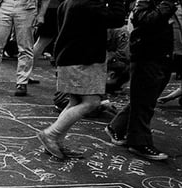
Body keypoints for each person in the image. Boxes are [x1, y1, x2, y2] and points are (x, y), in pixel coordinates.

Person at [36, 0, 126, 160]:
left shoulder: (68, 2)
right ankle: (51, 134)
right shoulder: (88, 3)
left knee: (75, 102)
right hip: (82, 60)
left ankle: (56, 141)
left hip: (70, 57)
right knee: (91, 102)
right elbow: (117, 19)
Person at [106, 0, 177, 161]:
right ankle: (139, 142)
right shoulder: (149, 2)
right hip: (148, 55)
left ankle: (117, 126)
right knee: (144, 101)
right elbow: (144, 19)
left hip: (163, 54)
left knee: (146, 97)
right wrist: (167, 4)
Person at [0, 0, 37, 96]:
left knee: (25, 47)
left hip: (26, 5)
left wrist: (41, 14)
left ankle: (22, 82)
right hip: (3, 5)